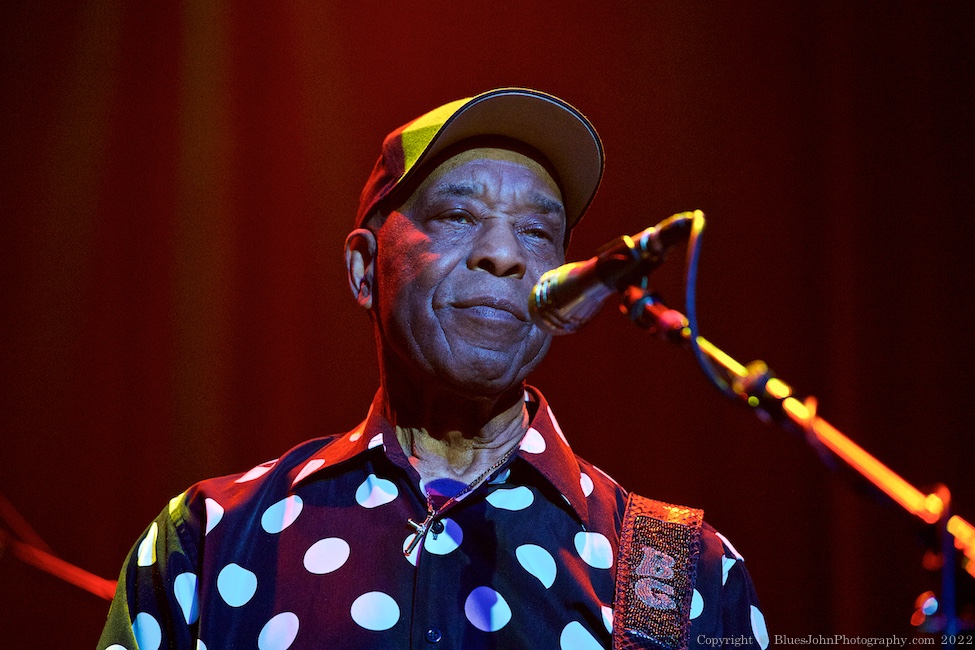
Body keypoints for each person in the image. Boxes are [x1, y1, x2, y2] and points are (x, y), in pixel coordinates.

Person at [98, 88, 767, 650]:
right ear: (364, 269)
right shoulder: (210, 537)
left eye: (537, 232)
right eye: (456, 215)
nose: (504, 254)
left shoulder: (677, 569)